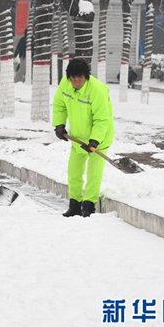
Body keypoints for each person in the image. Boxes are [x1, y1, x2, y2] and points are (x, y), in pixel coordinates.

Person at [52, 58, 115, 217]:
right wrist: (59, 125)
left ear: (86, 76)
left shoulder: (97, 90)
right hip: (78, 138)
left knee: (94, 174)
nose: (76, 82)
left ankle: (88, 206)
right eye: (73, 78)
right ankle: (74, 205)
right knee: (74, 172)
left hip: (99, 139)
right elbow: (59, 105)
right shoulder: (65, 84)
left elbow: (102, 119)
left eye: (79, 78)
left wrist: (95, 140)